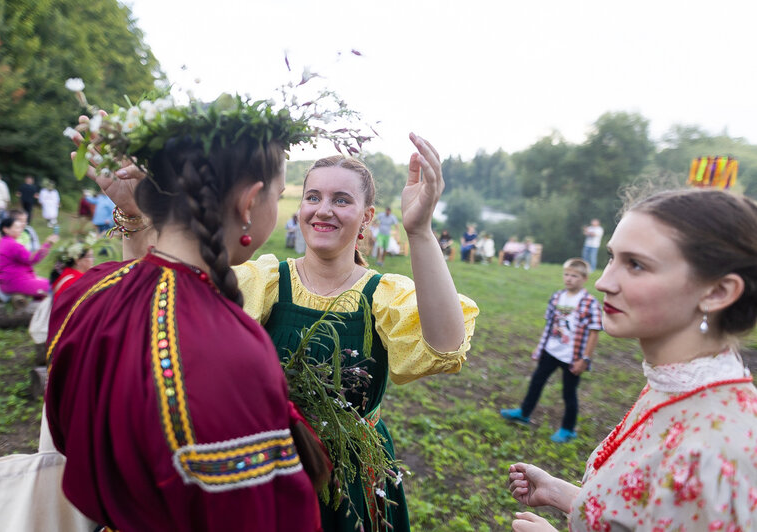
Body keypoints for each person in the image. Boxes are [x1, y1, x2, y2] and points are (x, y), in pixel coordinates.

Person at [47, 95, 328, 531]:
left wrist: (135, 211)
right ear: (250, 203)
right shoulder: (232, 353)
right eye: (278, 193)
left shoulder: (83, 295)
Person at [233, 139, 479, 531]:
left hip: (351, 473)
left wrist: (419, 232)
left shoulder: (381, 295)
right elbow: (169, 304)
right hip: (272, 463)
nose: (323, 210)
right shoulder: (265, 281)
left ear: (367, 217)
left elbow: (445, 346)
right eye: (313, 196)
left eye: (341, 200)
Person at [507, 189, 757, 532]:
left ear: (717, 292)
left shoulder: (715, 453)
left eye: (636, 264)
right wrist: (564, 494)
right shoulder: (677, 386)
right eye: (612, 257)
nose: (603, 282)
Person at [500, 258, 601, 442]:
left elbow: (594, 333)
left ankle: (568, 429)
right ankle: (524, 412)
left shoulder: (589, 303)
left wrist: (585, 359)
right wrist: (540, 348)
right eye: (567, 274)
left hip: (572, 357)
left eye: (574, 276)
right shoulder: (557, 297)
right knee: (536, 382)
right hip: (551, 351)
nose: (569, 279)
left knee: (569, 393)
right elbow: (549, 325)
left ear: (584, 278)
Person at [0, 216, 58, 297]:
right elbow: (32, 259)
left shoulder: (3, 242)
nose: (21, 230)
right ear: (6, 229)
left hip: (6, 283)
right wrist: (48, 244)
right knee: (56, 285)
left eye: (20, 227)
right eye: (17, 227)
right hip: (16, 282)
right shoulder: (12, 245)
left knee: (49, 283)